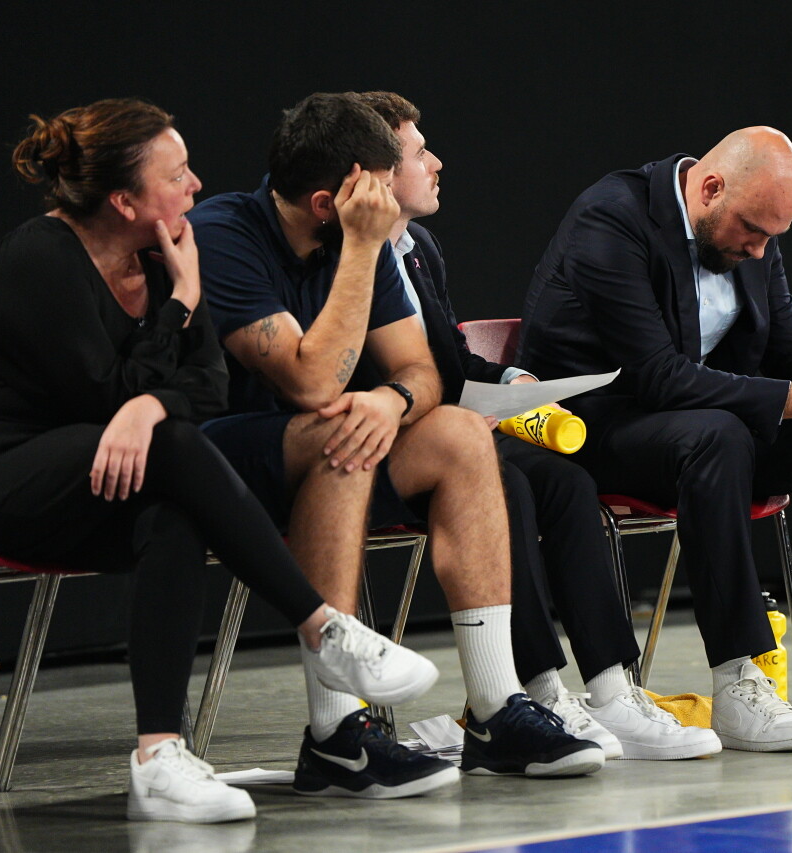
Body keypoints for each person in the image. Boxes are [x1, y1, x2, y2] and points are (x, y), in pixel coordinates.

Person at [0, 99, 442, 823]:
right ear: (123, 198)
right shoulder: (40, 256)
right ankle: (323, 626)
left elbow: (207, 386)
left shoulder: (169, 253)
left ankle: (158, 757)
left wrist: (157, 378)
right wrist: (182, 310)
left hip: (116, 476)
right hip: (14, 478)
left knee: (174, 511)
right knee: (170, 444)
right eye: (177, 176)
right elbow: (100, 394)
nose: (196, 185)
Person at [190, 93, 603, 788]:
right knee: (339, 427)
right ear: (333, 200)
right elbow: (311, 380)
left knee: (456, 431)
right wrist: (359, 247)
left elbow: (422, 372)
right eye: (380, 184)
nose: (390, 199)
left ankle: (497, 707)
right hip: (217, 454)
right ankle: (337, 730)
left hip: (323, 438)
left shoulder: (365, 239)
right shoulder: (226, 232)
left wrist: (393, 400)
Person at [519, 127, 792, 752]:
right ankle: (738, 679)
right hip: (594, 426)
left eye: (772, 237)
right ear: (709, 189)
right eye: (753, 232)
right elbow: (656, 376)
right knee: (720, 436)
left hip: (699, 427)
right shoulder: (611, 217)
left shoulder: (751, 234)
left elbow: (788, 345)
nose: (760, 251)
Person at [353, 91, 721, 761]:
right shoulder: (347, 257)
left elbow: (453, 358)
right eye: (417, 152)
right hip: (386, 446)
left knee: (565, 482)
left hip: (450, 431)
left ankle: (611, 687)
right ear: (376, 173)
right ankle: (535, 688)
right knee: (511, 487)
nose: (436, 162)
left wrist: (512, 383)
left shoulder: (420, 249)